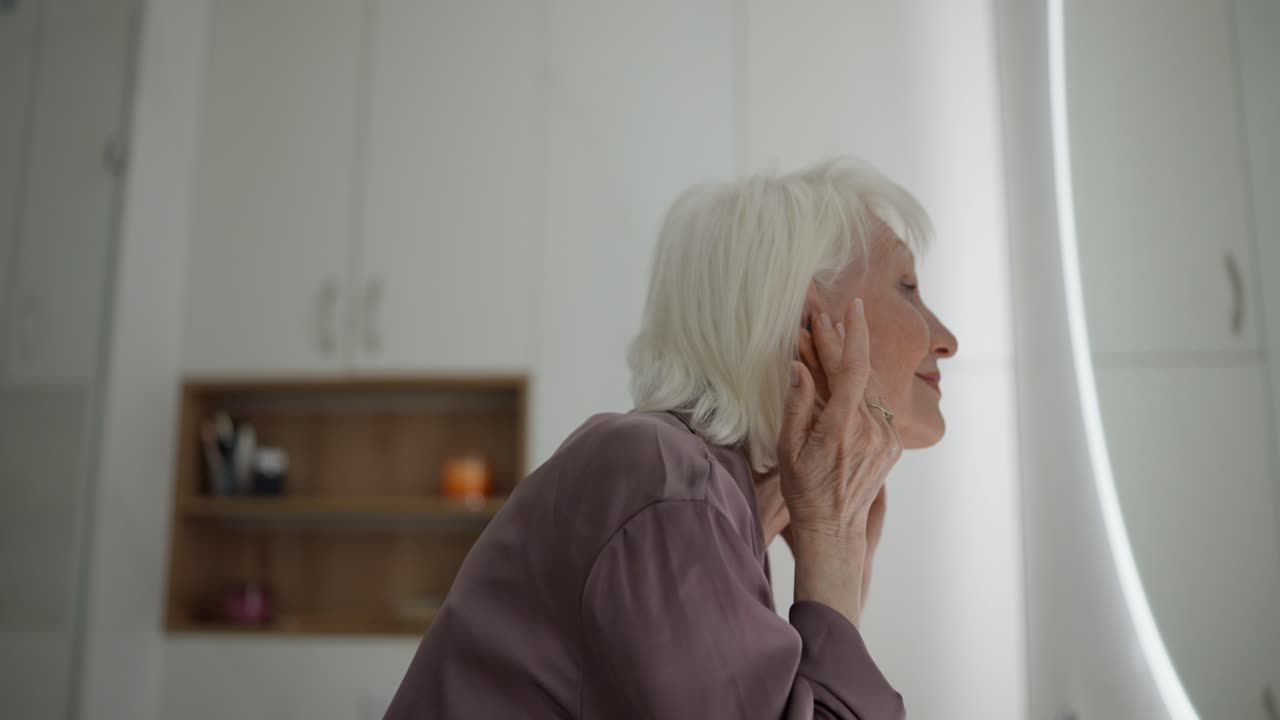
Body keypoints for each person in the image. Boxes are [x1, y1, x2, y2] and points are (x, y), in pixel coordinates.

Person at [385, 157, 959, 719]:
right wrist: (832, 549)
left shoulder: (708, 506)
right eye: (908, 286)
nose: (947, 339)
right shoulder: (665, 486)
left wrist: (841, 565)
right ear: (806, 323)